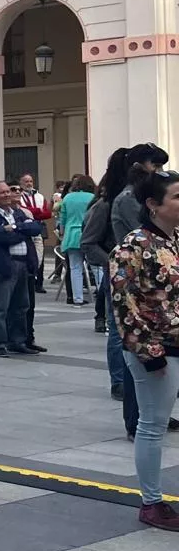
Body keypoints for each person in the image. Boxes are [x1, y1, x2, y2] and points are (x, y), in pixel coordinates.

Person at [111, 169, 179, 529]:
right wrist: (147, 352)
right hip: (156, 347)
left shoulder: (174, 239)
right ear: (153, 204)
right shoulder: (133, 246)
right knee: (152, 424)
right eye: (177, 197)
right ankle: (152, 502)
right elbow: (124, 303)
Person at [0, 180, 44, 357]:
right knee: (0, 308)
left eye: (8, 191)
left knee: (22, 305)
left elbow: (36, 227)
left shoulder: (16, 213)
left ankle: (18, 341)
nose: (7, 195)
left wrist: (15, 227)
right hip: (3, 266)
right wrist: (20, 233)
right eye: (3, 193)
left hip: (23, 264)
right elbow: (0, 237)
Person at [85, 149, 130, 399]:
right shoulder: (106, 204)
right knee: (117, 329)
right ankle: (119, 381)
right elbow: (89, 243)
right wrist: (116, 263)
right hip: (119, 275)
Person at [57, 175, 97, 305]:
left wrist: (62, 234)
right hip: (90, 234)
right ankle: (103, 293)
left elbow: (62, 219)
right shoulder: (93, 198)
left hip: (71, 234)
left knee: (75, 268)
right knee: (97, 267)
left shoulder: (68, 197)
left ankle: (77, 298)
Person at [18, 173, 52, 293]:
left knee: (40, 255)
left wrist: (35, 212)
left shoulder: (39, 196)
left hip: (39, 226)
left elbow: (48, 213)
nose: (29, 183)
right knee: (28, 254)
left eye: (31, 181)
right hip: (26, 227)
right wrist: (38, 211)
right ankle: (29, 280)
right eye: (26, 181)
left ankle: (39, 283)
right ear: (21, 183)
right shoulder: (19, 196)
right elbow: (22, 210)